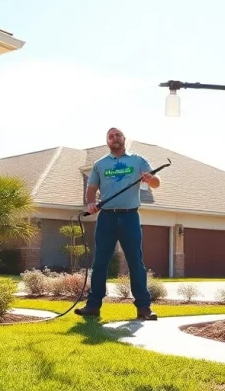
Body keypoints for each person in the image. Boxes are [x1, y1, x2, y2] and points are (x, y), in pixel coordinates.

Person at [74, 127, 161, 320]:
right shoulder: (100, 164)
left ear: (124, 139)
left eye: (117, 135)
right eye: (110, 136)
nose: (114, 138)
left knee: (136, 262)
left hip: (130, 217)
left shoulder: (138, 160)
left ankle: (144, 308)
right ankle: (93, 305)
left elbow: (156, 183)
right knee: (100, 263)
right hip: (107, 218)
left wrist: (151, 178)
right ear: (107, 142)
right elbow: (92, 188)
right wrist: (90, 203)